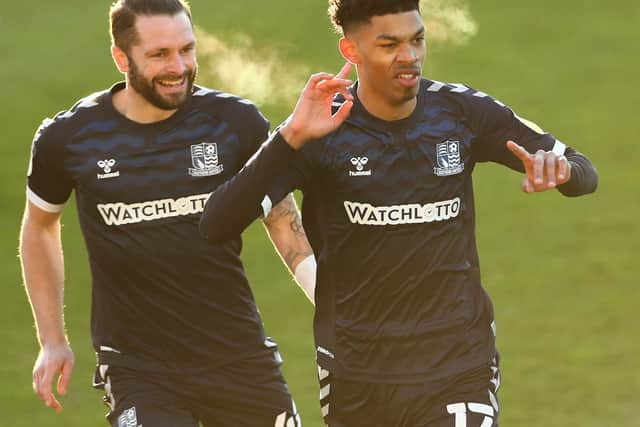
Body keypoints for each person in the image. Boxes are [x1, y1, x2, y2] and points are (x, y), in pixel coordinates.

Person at [199, 0, 599, 425]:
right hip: (356, 373)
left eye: (417, 40)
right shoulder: (317, 132)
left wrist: (563, 173)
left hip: (457, 365)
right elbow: (217, 225)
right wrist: (290, 138)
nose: (409, 56)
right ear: (351, 51)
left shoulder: (462, 113)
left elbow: (583, 171)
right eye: (389, 45)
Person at [19, 0, 313, 425]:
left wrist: (329, 305)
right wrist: (52, 339)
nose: (178, 67)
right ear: (121, 57)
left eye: (186, 50)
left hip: (238, 355)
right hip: (138, 367)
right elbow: (40, 227)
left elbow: (284, 223)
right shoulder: (69, 138)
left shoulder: (235, 123)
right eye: (159, 55)